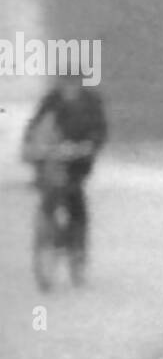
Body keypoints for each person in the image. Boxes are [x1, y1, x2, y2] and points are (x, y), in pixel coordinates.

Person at [22, 75, 108, 253]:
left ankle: (78, 245)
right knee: (48, 191)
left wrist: (89, 145)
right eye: (65, 81)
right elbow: (36, 122)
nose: (69, 85)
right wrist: (30, 143)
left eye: (73, 81)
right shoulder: (52, 99)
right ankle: (47, 229)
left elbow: (100, 128)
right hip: (52, 155)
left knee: (74, 196)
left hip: (79, 157)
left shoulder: (91, 101)